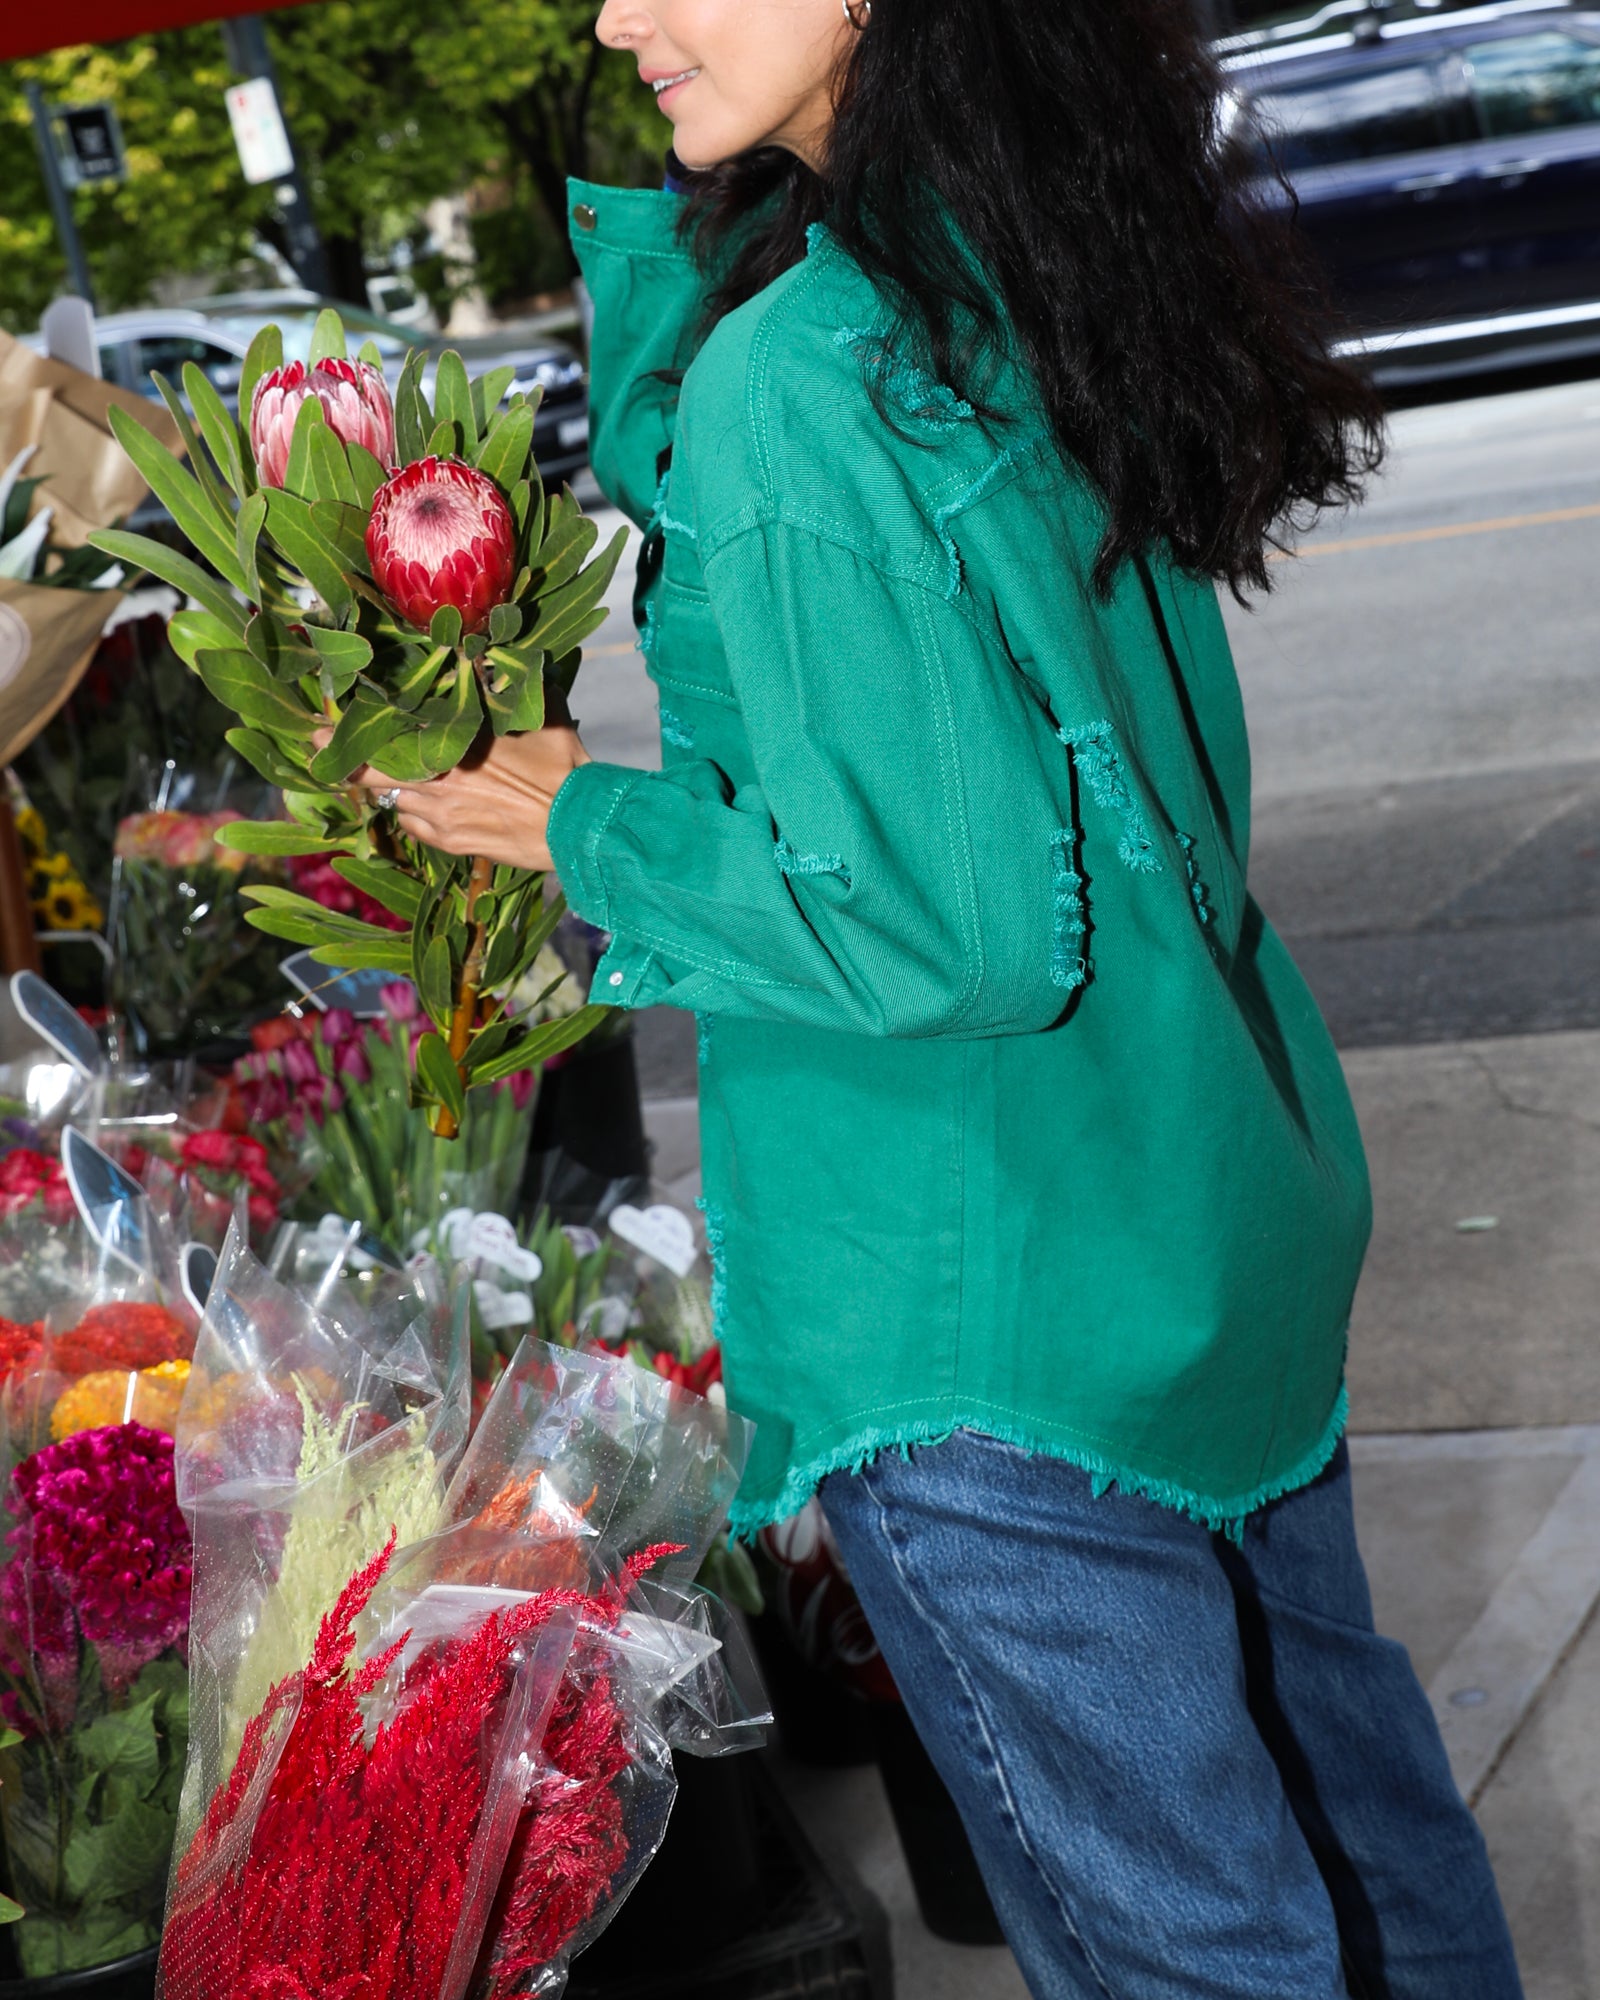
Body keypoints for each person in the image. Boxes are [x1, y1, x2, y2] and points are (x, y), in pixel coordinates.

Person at [367, 2, 1524, 1993]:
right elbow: (728, 482)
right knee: (1359, 1838)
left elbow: (936, 927)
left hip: (969, 1303)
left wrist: (583, 825)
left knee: (1189, 1945)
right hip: (1195, 1198)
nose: (610, 13)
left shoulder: (811, 370)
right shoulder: (1027, 267)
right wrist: (675, 220)